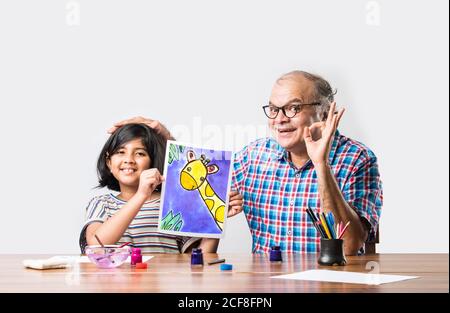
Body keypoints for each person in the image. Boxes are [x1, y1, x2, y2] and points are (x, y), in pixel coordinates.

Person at [108, 70, 382, 255]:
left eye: (293, 108)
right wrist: (165, 138)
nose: (279, 119)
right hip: (264, 287)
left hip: (330, 284)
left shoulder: (358, 159)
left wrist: (321, 164)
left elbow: (350, 245)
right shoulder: (254, 157)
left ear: (324, 111)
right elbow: (196, 183)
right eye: (273, 109)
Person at [79, 123, 220, 254]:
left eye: (140, 153)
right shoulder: (101, 204)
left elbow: (196, 261)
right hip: (115, 281)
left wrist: (216, 222)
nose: (129, 159)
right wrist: (141, 195)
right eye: (121, 152)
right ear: (109, 162)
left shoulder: (171, 203)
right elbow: (96, 246)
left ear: (152, 162)